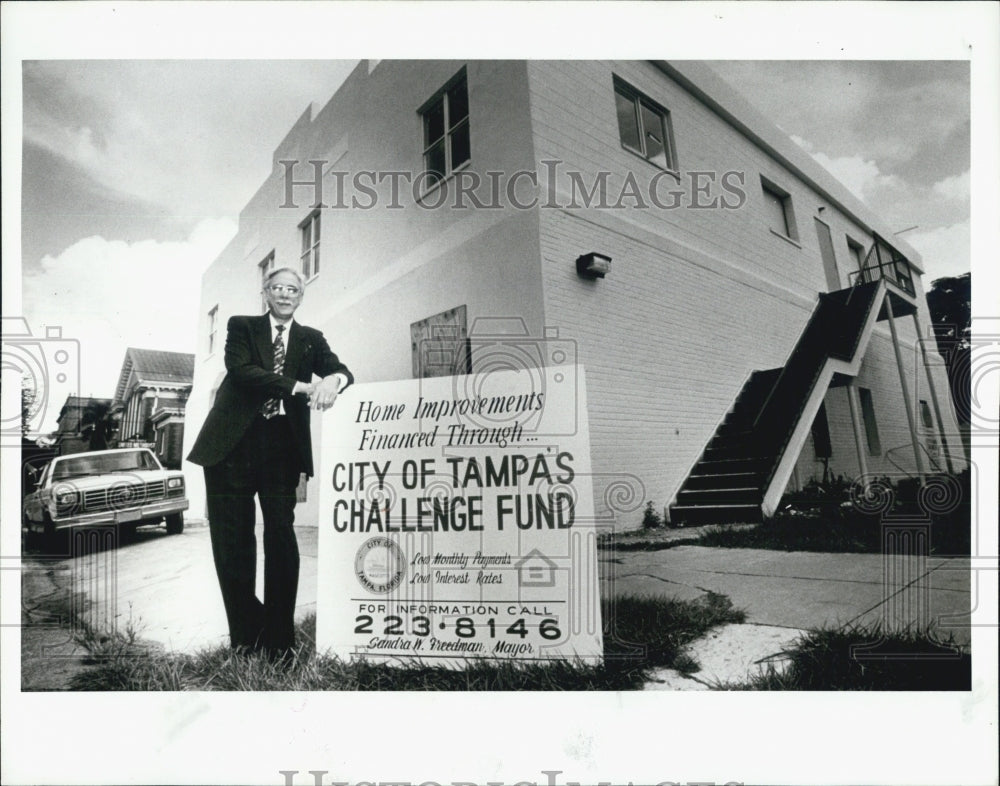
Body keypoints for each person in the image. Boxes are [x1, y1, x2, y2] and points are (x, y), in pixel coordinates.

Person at [187, 266, 352, 659]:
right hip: (231, 446)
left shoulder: (311, 339)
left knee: (281, 537)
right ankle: (246, 637)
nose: (284, 294)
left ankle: (279, 640)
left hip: (281, 447)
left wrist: (333, 381)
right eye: (277, 287)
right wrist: (298, 386)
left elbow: (341, 370)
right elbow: (242, 371)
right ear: (265, 292)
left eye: (292, 289)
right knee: (233, 544)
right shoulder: (241, 326)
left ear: (300, 296)